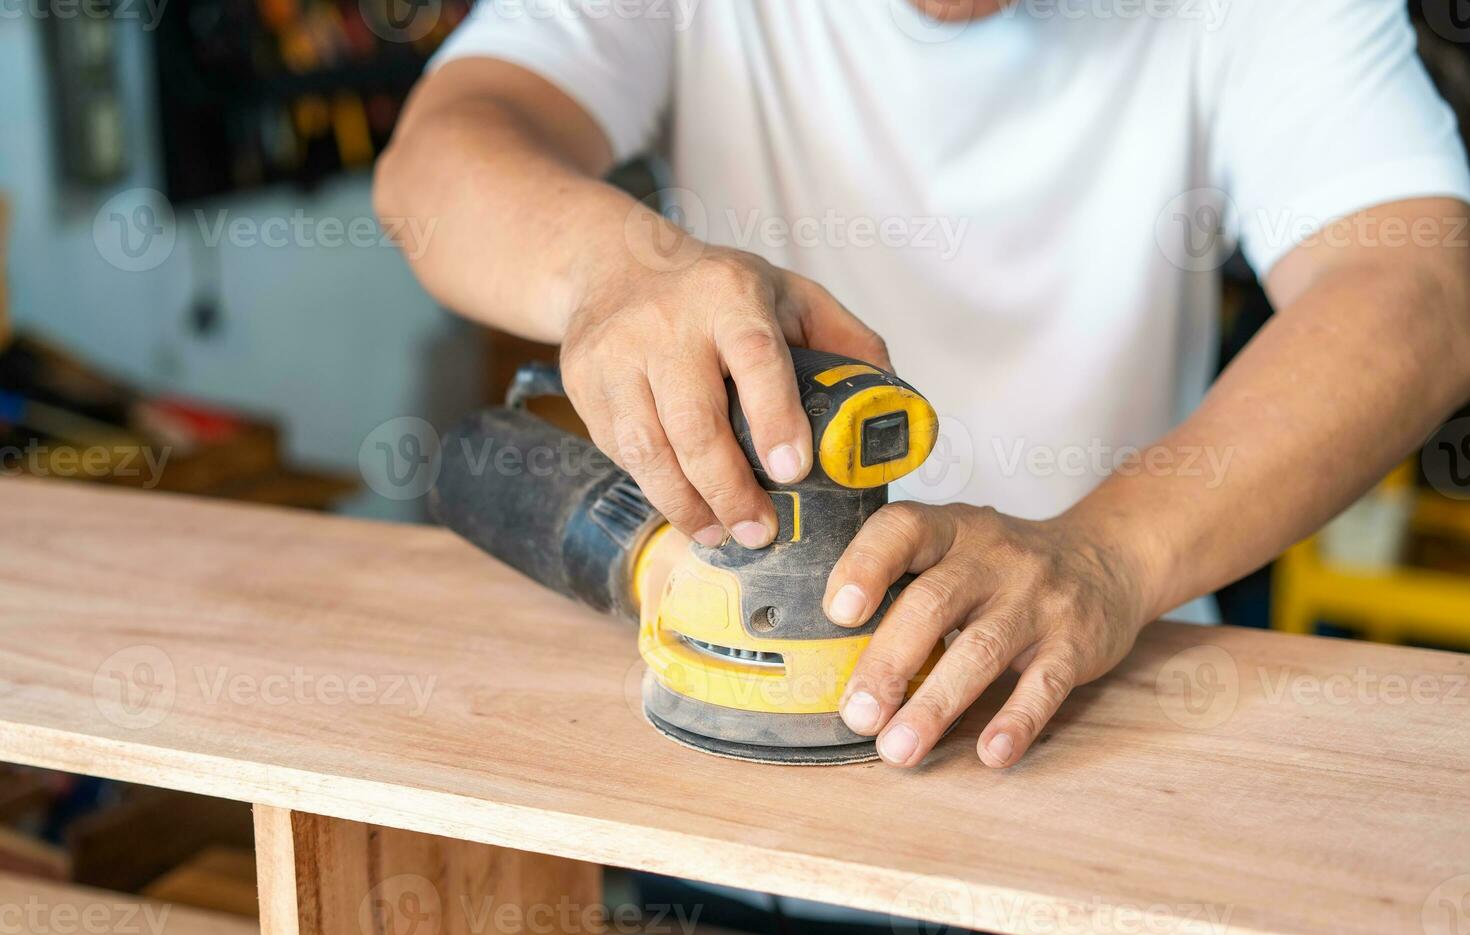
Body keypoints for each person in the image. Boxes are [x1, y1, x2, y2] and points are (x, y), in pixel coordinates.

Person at [375, 0, 1470, 771]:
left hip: (1092, 726)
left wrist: (1111, 553)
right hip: (717, 778)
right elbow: (439, 152)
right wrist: (610, 270)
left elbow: (1418, 277)